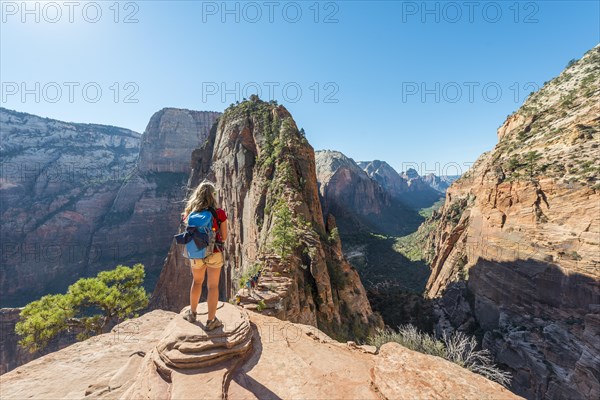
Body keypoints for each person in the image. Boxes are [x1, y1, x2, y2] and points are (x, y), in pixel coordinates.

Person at [181, 180, 228, 330]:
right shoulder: (219, 213)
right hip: (214, 252)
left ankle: (192, 314)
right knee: (213, 286)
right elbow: (225, 236)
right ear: (213, 195)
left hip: (196, 253)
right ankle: (211, 321)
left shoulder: (190, 213)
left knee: (197, 282)